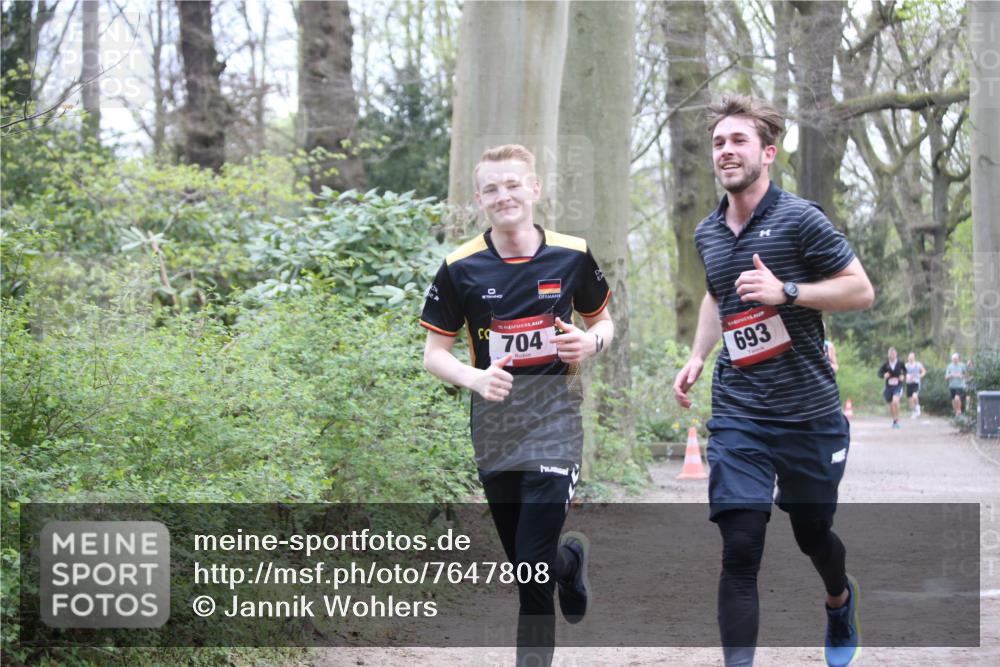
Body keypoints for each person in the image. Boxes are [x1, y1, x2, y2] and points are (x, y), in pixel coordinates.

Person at [672, 94, 874, 667]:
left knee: (813, 534)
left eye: (739, 140)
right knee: (740, 547)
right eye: (718, 142)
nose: (726, 150)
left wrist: (787, 291)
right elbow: (716, 295)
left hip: (808, 412)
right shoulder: (708, 232)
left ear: (767, 152)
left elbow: (860, 290)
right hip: (739, 411)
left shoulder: (801, 219)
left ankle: (839, 600)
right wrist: (698, 355)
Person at [420, 144, 613, 667]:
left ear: (534, 189)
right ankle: (568, 563)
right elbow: (434, 354)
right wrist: (476, 378)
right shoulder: (459, 267)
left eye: (512, 185)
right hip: (495, 427)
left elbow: (602, 322)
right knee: (529, 567)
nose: (503, 195)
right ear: (479, 200)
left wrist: (589, 343)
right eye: (491, 189)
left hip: (556, 420)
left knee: (530, 576)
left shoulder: (573, 254)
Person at [878, 347, 906, 428]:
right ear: (888, 355)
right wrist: (884, 375)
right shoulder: (886, 364)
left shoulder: (900, 363)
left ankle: (898, 418)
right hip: (889, 387)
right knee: (891, 405)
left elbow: (905, 371)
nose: (892, 355)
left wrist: (903, 376)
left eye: (893, 354)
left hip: (898, 385)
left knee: (895, 401)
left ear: (896, 354)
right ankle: (894, 421)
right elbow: (879, 373)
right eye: (890, 354)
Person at [904, 351, 927, 418]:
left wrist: (919, 376)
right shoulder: (906, 365)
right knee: (910, 400)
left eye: (912, 356)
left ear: (914, 357)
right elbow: (903, 374)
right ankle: (914, 412)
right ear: (908, 357)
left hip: (916, 383)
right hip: (909, 384)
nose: (910, 358)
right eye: (909, 357)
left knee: (915, 397)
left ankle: (917, 407)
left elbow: (924, 371)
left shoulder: (918, 364)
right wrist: (906, 376)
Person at [946, 352, 968, 416]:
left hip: (960, 385)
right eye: (953, 359)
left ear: (958, 359)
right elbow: (946, 377)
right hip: (952, 385)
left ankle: (959, 411)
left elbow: (967, 375)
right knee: (953, 400)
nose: (954, 360)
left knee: (957, 398)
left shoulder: (962, 365)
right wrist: (951, 375)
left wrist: (961, 376)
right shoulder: (949, 366)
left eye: (955, 358)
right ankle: (955, 412)